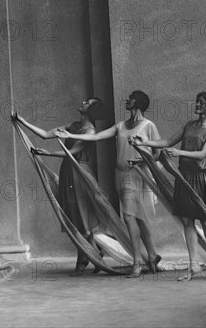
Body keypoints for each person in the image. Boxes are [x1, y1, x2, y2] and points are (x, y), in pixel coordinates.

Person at [55, 90, 162, 278]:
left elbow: (157, 153)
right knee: (138, 217)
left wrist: (140, 162)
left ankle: (137, 262)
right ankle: (152, 255)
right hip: (120, 175)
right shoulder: (121, 125)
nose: (127, 100)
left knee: (130, 217)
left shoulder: (148, 126)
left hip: (137, 174)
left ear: (139, 103)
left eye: (131, 98)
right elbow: (96, 136)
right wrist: (70, 135)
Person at [131, 91, 206, 280]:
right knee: (188, 222)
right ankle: (193, 265)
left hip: (201, 180)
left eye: (202, 103)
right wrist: (144, 142)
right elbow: (166, 142)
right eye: (198, 101)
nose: (197, 105)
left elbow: (202, 154)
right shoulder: (189, 125)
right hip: (185, 178)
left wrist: (179, 153)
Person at [12, 97, 105, 276]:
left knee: (80, 218)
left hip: (80, 173)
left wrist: (48, 153)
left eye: (87, 102)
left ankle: (83, 260)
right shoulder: (73, 125)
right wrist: (23, 122)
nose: (83, 102)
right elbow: (46, 135)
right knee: (75, 216)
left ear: (92, 110)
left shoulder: (90, 131)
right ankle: (94, 255)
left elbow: (71, 153)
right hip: (68, 172)